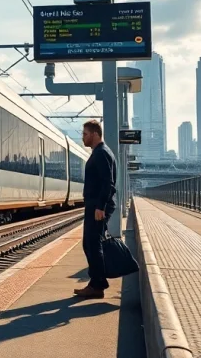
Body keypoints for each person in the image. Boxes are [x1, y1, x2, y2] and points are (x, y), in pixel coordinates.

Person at [75, 119, 116, 299]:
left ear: (95, 134)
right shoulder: (100, 152)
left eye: (85, 134)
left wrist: (100, 206)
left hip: (97, 207)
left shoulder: (101, 153)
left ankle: (97, 285)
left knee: (93, 244)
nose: (82, 137)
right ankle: (96, 283)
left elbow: (108, 183)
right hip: (95, 205)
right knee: (90, 244)